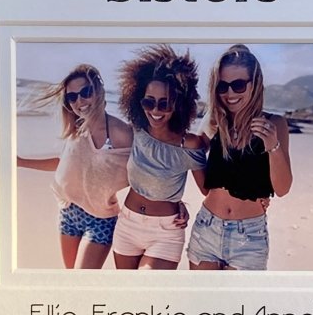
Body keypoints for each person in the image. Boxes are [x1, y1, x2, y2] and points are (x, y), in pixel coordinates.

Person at [187, 44, 292, 271]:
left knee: (238, 306)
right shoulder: (215, 121)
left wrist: (272, 145)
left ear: (254, 84)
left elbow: (283, 188)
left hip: (249, 238)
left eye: (238, 85)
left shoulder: (275, 124)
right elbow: (192, 150)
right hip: (206, 228)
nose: (230, 94)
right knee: (200, 305)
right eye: (223, 86)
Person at [16, 64, 131, 269]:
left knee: (81, 281)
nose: (80, 101)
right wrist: (21, 162)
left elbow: (144, 173)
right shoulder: (77, 129)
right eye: (72, 97)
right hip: (68, 213)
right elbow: (63, 164)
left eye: (85, 92)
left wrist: (171, 205)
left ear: (97, 91)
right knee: (71, 281)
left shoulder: (121, 133)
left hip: (100, 219)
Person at [112, 45, 207, 269]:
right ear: (138, 100)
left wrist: (256, 196)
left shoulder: (189, 145)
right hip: (126, 224)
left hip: (166, 233)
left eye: (165, 103)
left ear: (179, 104)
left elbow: (209, 191)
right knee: (129, 298)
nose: (156, 110)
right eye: (149, 101)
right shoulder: (137, 130)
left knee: (147, 290)